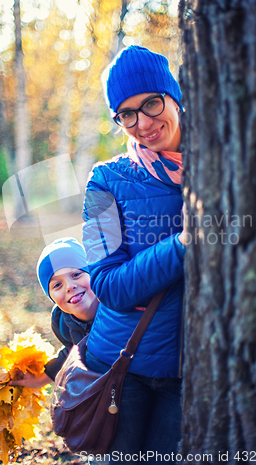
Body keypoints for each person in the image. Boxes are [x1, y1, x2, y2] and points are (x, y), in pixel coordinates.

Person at [82, 45, 188, 464]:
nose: (143, 123)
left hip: (191, 371)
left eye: (151, 103)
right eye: (127, 114)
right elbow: (108, 284)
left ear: (173, 96)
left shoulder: (226, 166)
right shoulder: (106, 180)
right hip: (120, 369)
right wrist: (183, 244)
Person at [9, 237, 98, 389]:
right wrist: (39, 380)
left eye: (76, 274)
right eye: (57, 285)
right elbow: (73, 352)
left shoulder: (115, 303)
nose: (69, 287)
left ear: (92, 274)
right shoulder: (63, 324)